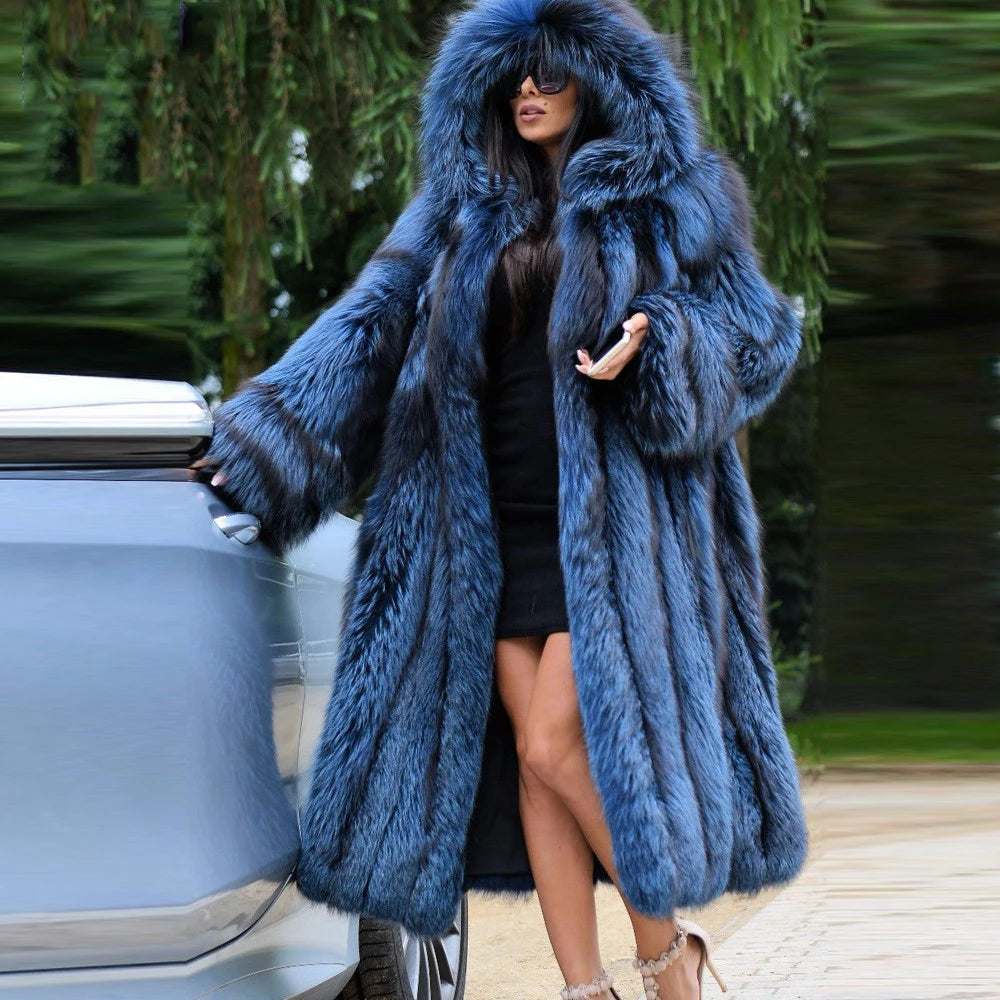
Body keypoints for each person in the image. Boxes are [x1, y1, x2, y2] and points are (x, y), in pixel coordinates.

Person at [194, 2, 809, 999]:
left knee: (552, 742)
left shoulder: (676, 195)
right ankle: (586, 987)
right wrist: (258, 443)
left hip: (613, 533)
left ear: (599, 83)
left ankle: (669, 954)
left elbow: (761, 334)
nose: (527, 91)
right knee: (531, 762)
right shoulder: (457, 206)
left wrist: (661, 331)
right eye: (513, 76)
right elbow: (367, 326)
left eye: (550, 73)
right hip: (487, 525)